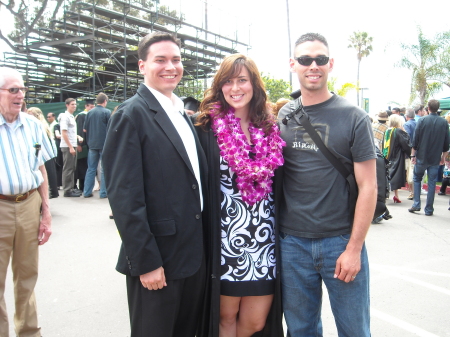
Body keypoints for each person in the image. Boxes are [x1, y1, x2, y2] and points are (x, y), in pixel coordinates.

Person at [102, 32, 207, 337]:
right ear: (142, 66)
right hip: (157, 260)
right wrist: (145, 261)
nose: (170, 66)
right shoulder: (130, 114)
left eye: (176, 59)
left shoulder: (181, 113)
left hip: (192, 256)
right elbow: (124, 197)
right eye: (160, 60)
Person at [277, 33, 376, 336]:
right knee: (301, 330)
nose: (313, 65)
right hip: (292, 244)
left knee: (354, 330)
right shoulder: (284, 115)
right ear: (293, 64)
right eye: (305, 59)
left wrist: (354, 248)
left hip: (340, 241)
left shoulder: (354, 117)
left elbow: (369, 186)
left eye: (320, 59)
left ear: (330, 64)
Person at [194, 54, 285, 337]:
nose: (235, 88)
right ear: (219, 87)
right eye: (228, 81)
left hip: (263, 244)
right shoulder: (206, 129)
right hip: (224, 244)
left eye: (242, 80)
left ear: (254, 85)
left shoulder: (270, 130)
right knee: (225, 317)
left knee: (256, 322)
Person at [0, 67, 53, 337]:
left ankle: (29, 333)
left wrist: (46, 212)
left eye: (22, 89)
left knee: (27, 276)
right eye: (13, 90)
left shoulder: (32, 125)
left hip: (30, 203)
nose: (20, 95)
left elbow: (41, 169)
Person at [409, 99, 449, 216]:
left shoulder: (422, 120)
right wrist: (443, 157)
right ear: (438, 108)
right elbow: (446, 144)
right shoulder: (443, 122)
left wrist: (413, 155)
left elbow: (415, 141)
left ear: (428, 108)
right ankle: (429, 209)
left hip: (422, 156)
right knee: (432, 182)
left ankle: (416, 204)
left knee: (417, 178)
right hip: (435, 157)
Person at [27, 107, 59, 199]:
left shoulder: (39, 126)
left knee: (43, 179)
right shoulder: (42, 126)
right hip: (46, 156)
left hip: (43, 156)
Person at [83, 93, 110, 198]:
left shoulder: (89, 113)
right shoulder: (107, 112)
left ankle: (87, 192)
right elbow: (110, 128)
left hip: (92, 144)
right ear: (105, 101)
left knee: (91, 168)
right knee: (104, 169)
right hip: (104, 144)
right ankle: (103, 193)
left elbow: (84, 129)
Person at [383, 114, 411, 203]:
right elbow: (406, 144)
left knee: (387, 174)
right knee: (394, 176)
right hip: (397, 156)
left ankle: (394, 195)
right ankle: (395, 195)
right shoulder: (398, 131)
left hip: (387, 156)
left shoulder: (387, 131)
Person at [60, 97, 82, 197]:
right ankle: (67, 190)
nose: (74, 106)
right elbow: (64, 133)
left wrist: (77, 137)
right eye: (72, 104)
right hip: (67, 146)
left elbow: (70, 132)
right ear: (67, 105)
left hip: (72, 144)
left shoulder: (71, 117)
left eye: (75, 104)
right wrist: (70, 147)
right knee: (68, 168)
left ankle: (71, 188)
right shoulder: (65, 117)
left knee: (72, 167)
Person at [74, 99, 94, 192]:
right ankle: (78, 186)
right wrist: (79, 144)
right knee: (80, 166)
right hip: (83, 144)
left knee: (85, 166)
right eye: (90, 106)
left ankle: (83, 186)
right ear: (86, 106)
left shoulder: (89, 115)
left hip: (88, 144)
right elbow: (79, 130)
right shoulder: (82, 116)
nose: (92, 108)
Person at [404, 108, 417, 200]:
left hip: (410, 151)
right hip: (418, 150)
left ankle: (412, 192)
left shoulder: (406, 125)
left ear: (406, 116)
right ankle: (415, 191)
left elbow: (407, 138)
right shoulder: (418, 123)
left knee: (410, 172)